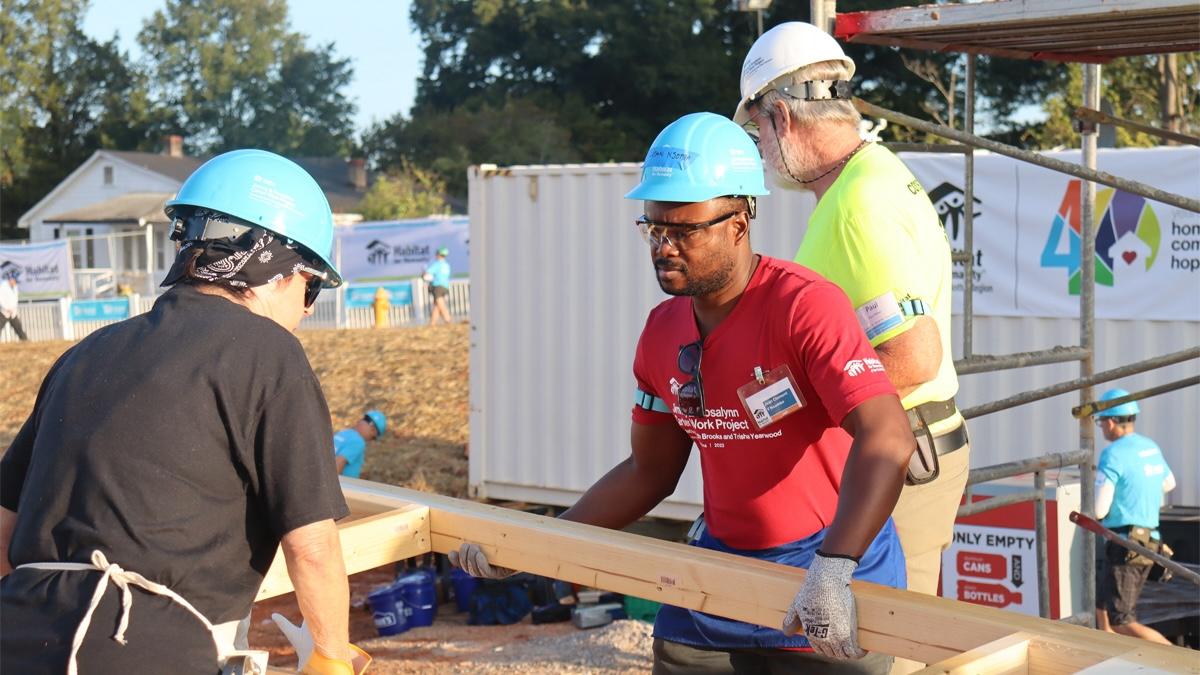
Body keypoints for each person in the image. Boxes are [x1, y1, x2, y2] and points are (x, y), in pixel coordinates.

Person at [451, 113, 915, 674]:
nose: (664, 247)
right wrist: (534, 543)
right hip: (716, 584)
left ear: (739, 223)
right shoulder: (662, 332)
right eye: (654, 228)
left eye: (684, 230)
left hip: (825, 583)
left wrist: (835, 567)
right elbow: (648, 473)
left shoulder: (803, 307)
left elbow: (887, 436)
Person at [0, 149, 371, 675]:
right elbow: (311, 546)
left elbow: (4, 525)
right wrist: (332, 660)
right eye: (312, 288)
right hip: (148, 644)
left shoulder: (85, 353)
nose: (307, 310)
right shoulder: (269, 354)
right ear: (281, 270)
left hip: (17, 635)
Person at [733, 20, 970, 637]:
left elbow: (912, 356)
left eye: (756, 127)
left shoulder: (857, 207)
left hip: (900, 463)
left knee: (894, 650)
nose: (758, 145)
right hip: (902, 454)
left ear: (781, 117)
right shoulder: (875, 175)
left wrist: (784, 402)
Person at [1092, 388, 1176, 645]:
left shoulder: (1113, 454)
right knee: (1102, 606)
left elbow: (1099, 510)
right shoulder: (1149, 446)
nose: (1101, 429)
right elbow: (1168, 483)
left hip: (1125, 545)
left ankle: (1181, 661)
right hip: (1147, 541)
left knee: (1123, 621)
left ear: (1109, 421)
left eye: (1100, 423)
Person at [334, 410, 386, 478]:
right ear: (373, 429)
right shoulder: (358, 442)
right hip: (342, 485)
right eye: (373, 438)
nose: (370, 440)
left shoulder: (344, 433)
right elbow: (339, 462)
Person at [423, 247, 452, 325]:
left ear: (439, 254)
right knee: (437, 305)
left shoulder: (437, 264)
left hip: (437, 286)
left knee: (440, 303)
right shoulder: (446, 265)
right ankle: (432, 323)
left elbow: (427, 273)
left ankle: (447, 319)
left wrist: (423, 275)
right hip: (445, 286)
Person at [0, 276, 30, 341]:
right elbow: (1, 299)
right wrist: (6, 308)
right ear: (10, 280)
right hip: (4, 312)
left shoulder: (15, 287)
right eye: (14, 281)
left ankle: (25, 341)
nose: (15, 282)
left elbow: (15, 300)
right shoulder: (3, 287)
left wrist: (13, 309)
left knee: (18, 328)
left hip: (13, 313)